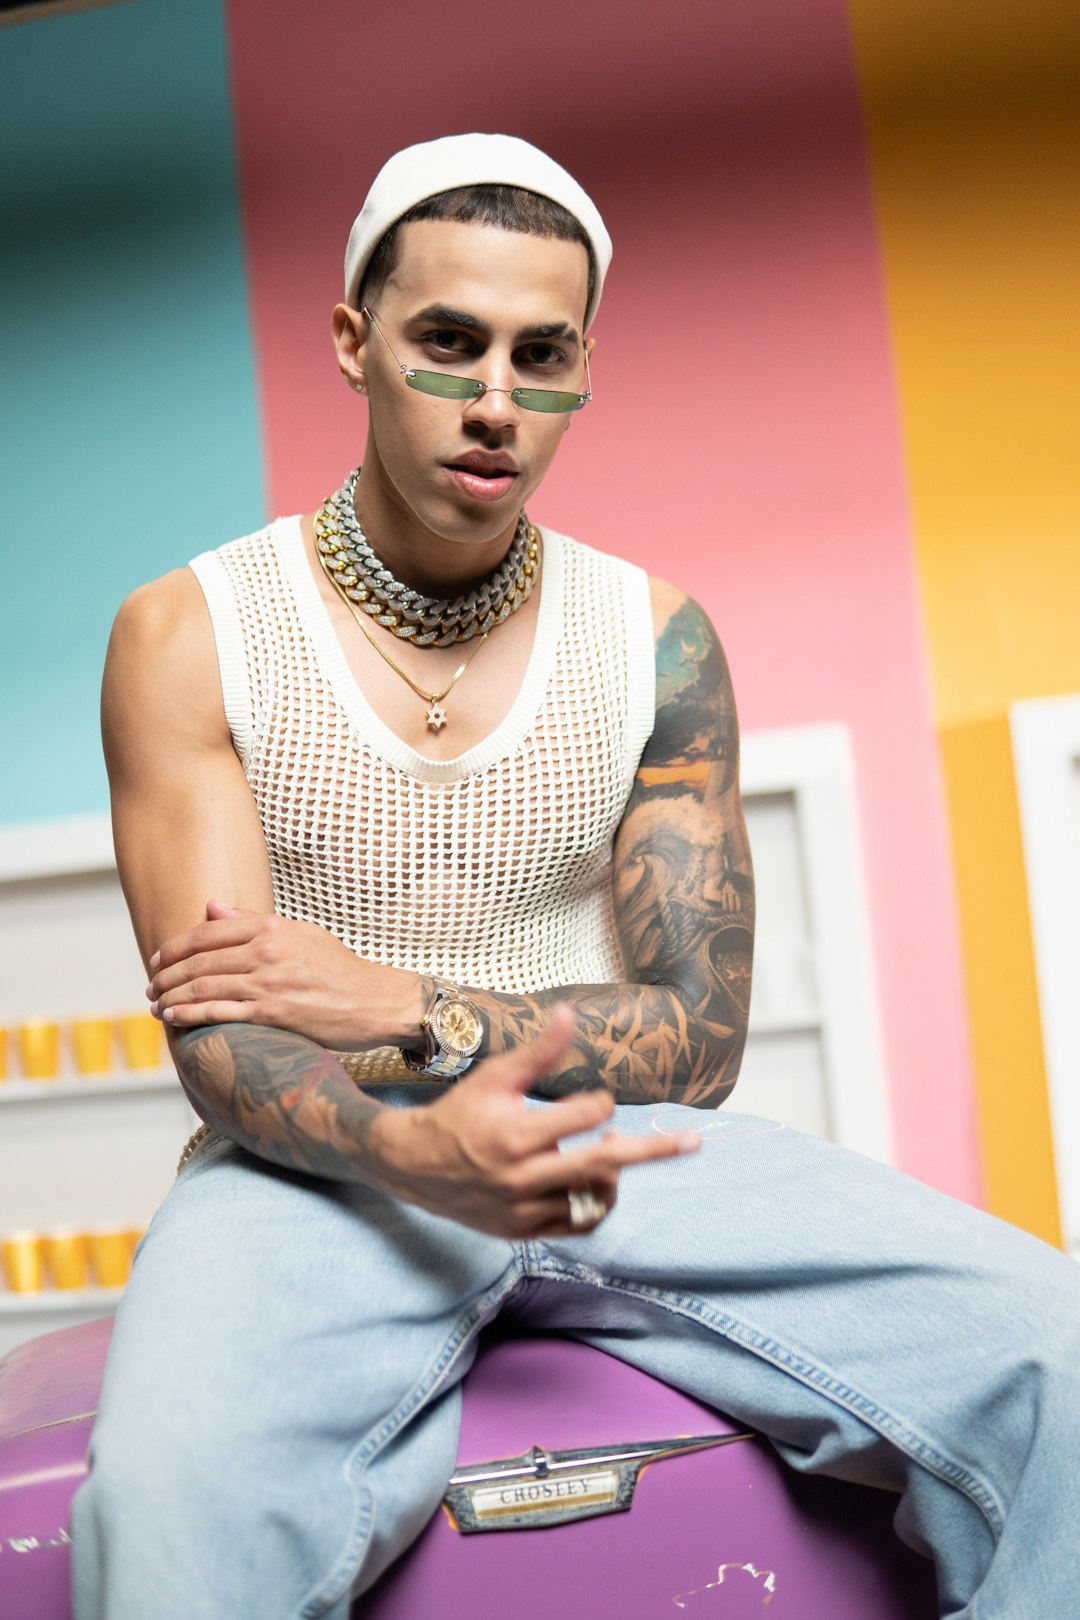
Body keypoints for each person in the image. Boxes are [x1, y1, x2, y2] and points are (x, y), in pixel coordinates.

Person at [71, 133, 1078, 1620]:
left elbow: (700, 1036)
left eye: (541, 355)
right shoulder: (193, 631)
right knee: (166, 1520)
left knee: (1056, 1355)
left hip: (614, 1151)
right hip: (314, 1172)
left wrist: (412, 1003)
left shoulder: (655, 639)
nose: (495, 401)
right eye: (447, 343)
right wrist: (422, 1147)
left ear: (586, 369)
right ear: (354, 344)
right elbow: (234, 1043)